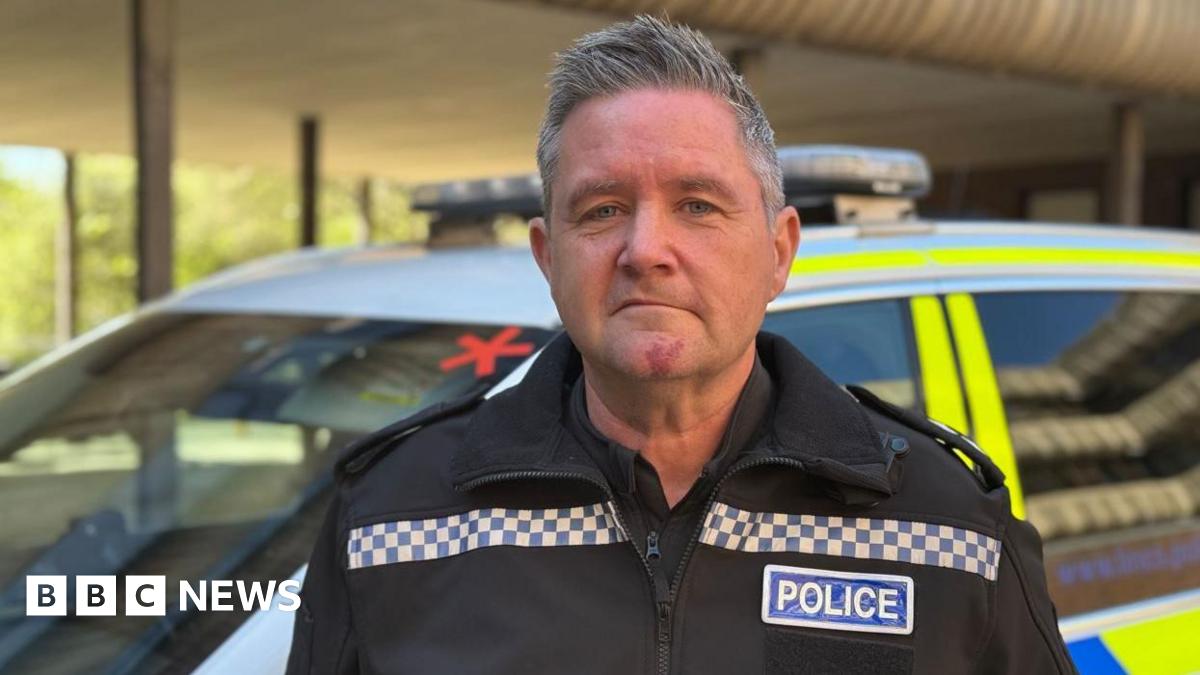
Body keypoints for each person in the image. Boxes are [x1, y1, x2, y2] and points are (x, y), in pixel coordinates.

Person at [287, 15, 1076, 674]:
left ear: (779, 252)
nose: (645, 249)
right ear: (546, 257)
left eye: (697, 205)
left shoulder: (951, 528)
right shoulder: (386, 521)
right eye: (600, 210)